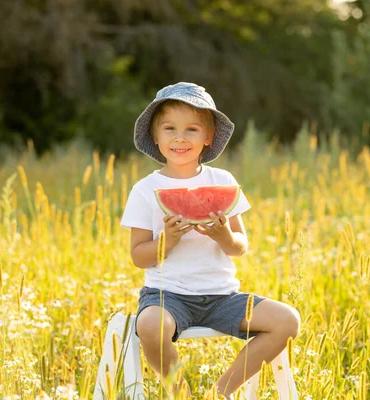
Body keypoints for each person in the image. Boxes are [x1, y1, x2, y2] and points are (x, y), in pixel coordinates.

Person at [120, 82, 300, 398]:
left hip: (222, 296)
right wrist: (168, 241)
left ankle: (222, 391)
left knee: (288, 321)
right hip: (167, 294)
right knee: (149, 326)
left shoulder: (223, 181)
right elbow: (138, 256)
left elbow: (240, 246)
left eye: (191, 129)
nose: (180, 137)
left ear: (208, 136)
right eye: (170, 128)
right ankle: (182, 394)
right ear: (156, 135)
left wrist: (224, 235)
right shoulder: (144, 190)